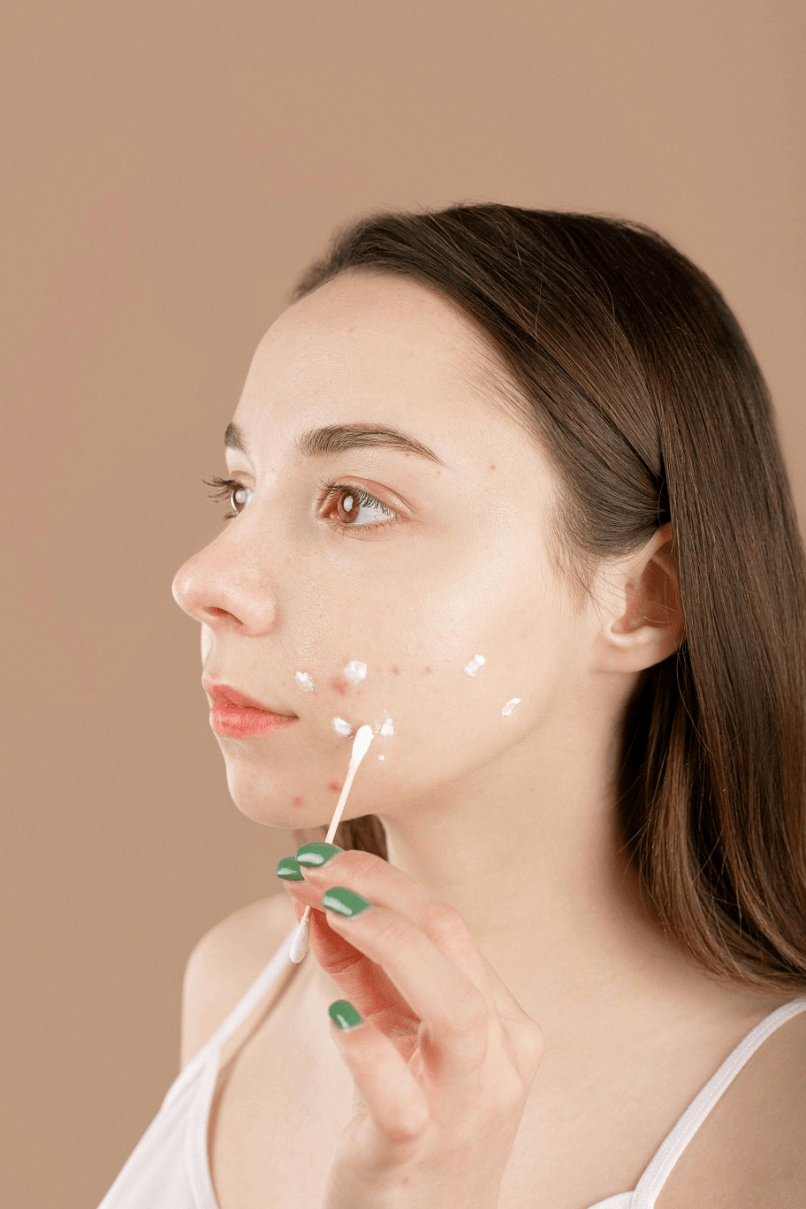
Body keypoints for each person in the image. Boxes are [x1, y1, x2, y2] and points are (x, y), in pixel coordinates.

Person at [97, 204, 806, 1209]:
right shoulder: (242, 984)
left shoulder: (779, 1124)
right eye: (238, 490)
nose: (204, 581)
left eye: (355, 500)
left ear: (646, 601)